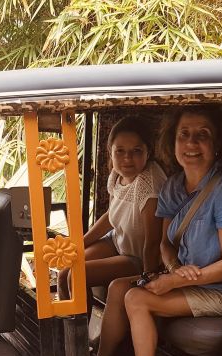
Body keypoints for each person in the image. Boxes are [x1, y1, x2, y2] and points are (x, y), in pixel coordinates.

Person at [91, 106, 222, 356]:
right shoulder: (175, 186)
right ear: (172, 143)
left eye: (202, 135)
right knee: (121, 287)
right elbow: (164, 244)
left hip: (221, 289)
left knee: (137, 297)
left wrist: (175, 281)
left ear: (216, 145)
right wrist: (172, 267)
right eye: (183, 135)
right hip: (187, 278)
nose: (191, 143)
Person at [58, 116, 166, 300]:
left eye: (136, 151)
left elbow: (153, 241)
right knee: (64, 272)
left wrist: (149, 278)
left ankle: (78, 329)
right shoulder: (117, 174)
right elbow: (112, 216)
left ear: (149, 152)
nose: (127, 158)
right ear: (110, 151)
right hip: (116, 241)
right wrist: (80, 243)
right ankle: (66, 328)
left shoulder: (149, 183)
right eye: (120, 151)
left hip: (137, 254)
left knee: (76, 276)